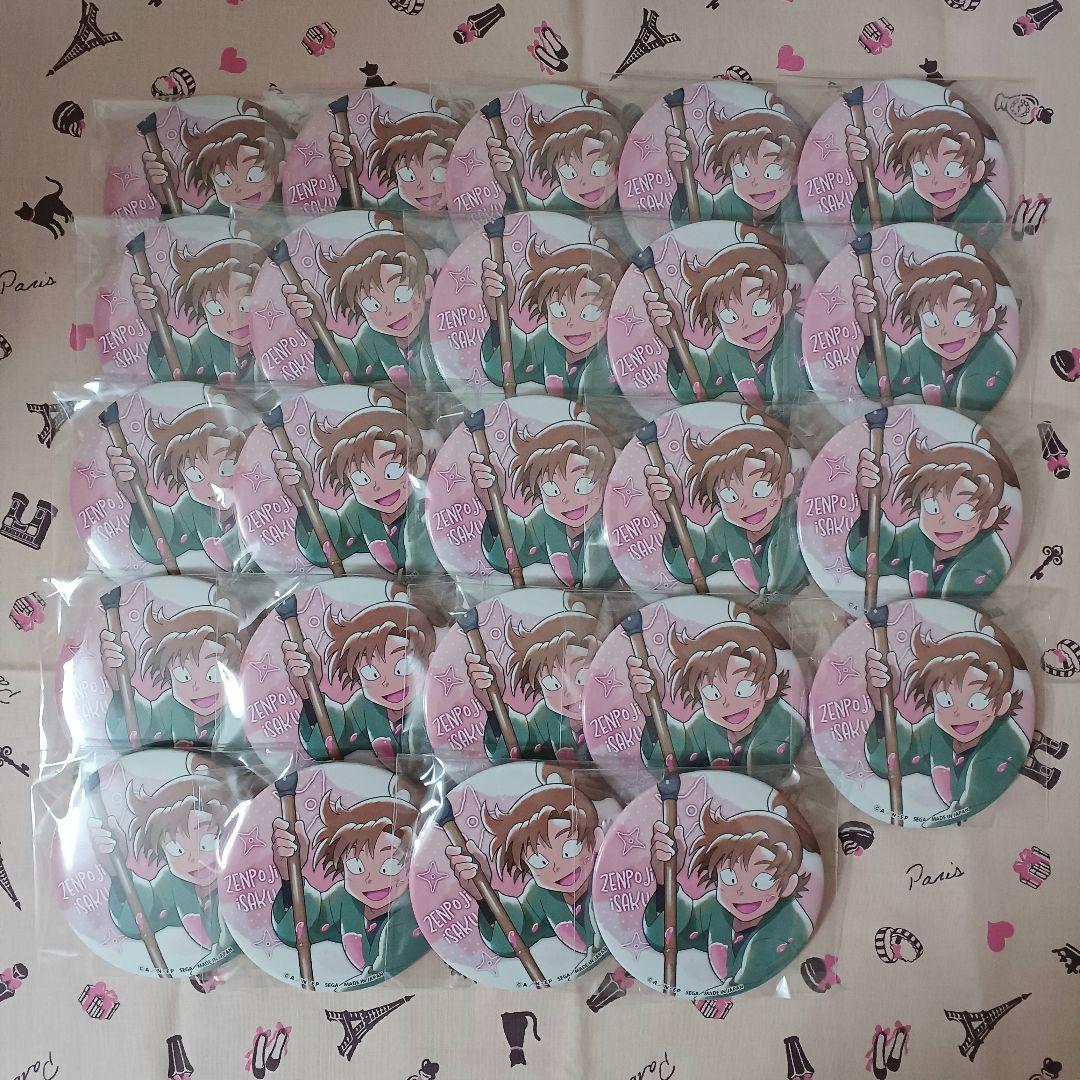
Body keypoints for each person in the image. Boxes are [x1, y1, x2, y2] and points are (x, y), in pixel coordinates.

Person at [863, 622, 1029, 822]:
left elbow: (972, 806)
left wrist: (923, 828)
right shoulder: (937, 732)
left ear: (1002, 704)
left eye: (976, 701)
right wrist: (884, 707)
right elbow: (893, 762)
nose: (958, 713)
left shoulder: (1003, 748)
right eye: (946, 700)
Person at [644, 799, 814, 992]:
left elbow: (745, 984)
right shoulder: (716, 909)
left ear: (788, 885)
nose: (741, 891)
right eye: (730, 877)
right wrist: (666, 880)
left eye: (761, 881)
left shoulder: (787, 929)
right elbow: (668, 937)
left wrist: (701, 1000)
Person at [270, 789, 426, 983]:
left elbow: (383, 970)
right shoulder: (345, 901)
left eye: (390, 865)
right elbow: (301, 930)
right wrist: (290, 877)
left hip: (413, 980)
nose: (370, 879)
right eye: (356, 866)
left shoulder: (415, 911)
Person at [644, 413, 806, 595]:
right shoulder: (727, 530)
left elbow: (785, 581)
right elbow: (693, 564)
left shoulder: (794, 525)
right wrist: (672, 519)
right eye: (730, 495)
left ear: (786, 485)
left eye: (760, 489)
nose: (745, 505)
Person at [644, 227, 808, 406]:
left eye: (759, 308)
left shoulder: (799, 339)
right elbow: (697, 388)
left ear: (784, 302)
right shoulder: (729, 350)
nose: (746, 324)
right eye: (730, 316)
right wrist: (674, 343)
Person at [628, 613, 803, 776]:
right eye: (712, 693)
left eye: (744, 689)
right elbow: (673, 758)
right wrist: (652, 709)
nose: (727, 703)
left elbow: (769, 776)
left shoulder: (783, 726)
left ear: (770, 686)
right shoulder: (706, 726)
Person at [847, 430, 1015, 599]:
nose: (943, 521)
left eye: (963, 512)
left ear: (989, 517)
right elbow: (871, 561)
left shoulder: (985, 563)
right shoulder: (918, 537)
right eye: (932, 507)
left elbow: (958, 607)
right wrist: (870, 506)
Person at [850, 245, 1014, 412]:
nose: (945, 331)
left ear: (987, 320)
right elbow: (883, 385)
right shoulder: (924, 352)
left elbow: (973, 416)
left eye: (962, 319)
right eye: (932, 320)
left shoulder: (993, 364)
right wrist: (873, 331)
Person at [89, 773, 233, 955]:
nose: (194, 858)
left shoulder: (241, 872)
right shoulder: (174, 885)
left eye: (206, 842)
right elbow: (139, 919)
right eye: (176, 849)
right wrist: (117, 872)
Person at [470, 418, 619, 587]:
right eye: (551, 489)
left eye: (583, 485)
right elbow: (512, 554)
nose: (566, 499)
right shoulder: (546, 523)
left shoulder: (613, 521)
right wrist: (493, 505)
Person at [281, 600, 435, 762]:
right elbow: (327, 746)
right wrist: (309, 694)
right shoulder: (364, 709)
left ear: (429, 662)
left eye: (402, 667)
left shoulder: (435, 709)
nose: (386, 682)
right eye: (371, 673)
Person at [479, 234, 624, 397]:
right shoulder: (546, 344)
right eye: (559, 311)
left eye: (589, 312)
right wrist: (499, 316)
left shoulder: (615, 353)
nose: (571, 323)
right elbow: (506, 370)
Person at [107, 405, 248, 571]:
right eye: (195, 475)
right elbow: (163, 542)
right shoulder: (193, 508)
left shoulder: (256, 493)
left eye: (226, 468)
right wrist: (138, 498)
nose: (213, 485)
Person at [101, 603, 245, 750]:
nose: (197, 686)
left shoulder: (240, 714)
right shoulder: (170, 708)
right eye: (183, 675)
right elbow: (134, 735)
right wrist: (121, 686)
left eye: (213, 674)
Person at [465, 608, 600, 762]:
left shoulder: (610, 708)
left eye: (582, 678)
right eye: (552, 683)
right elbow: (516, 746)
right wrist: (494, 705)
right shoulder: (547, 718)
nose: (569, 693)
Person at [131, 238, 264, 382]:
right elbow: (178, 369)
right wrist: (158, 326)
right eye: (216, 309)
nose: (233, 319)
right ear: (203, 311)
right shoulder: (210, 343)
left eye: (245, 305)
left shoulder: (272, 337)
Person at [665, 99, 804, 228]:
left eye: (772, 171)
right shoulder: (728, 203)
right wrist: (685, 177)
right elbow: (695, 227)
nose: (755, 182)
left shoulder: (801, 206)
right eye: (743, 171)